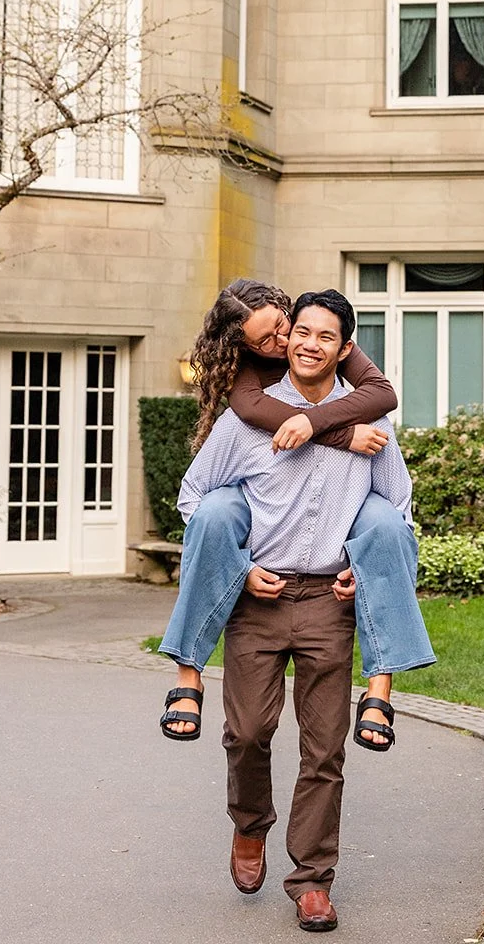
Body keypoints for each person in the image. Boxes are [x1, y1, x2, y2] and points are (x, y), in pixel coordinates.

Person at [176, 289, 413, 932]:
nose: (307, 343)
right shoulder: (247, 419)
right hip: (259, 600)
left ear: (344, 348)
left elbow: (395, 510)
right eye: (299, 331)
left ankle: (311, 878)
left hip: (326, 603)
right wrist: (239, 569)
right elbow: (194, 497)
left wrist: (359, 571)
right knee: (248, 732)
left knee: (324, 750)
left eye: (323, 336)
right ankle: (249, 827)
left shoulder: (375, 429)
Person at [158, 279, 434, 748]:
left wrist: (363, 568)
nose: (287, 342)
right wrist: (239, 569)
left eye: (284, 327)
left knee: (386, 522)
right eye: (267, 340)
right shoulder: (245, 392)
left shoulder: (335, 352)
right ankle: (188, 673)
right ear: (244, 346)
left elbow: (383, 401)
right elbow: (200, 482)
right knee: (214, 511)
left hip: (328, 592)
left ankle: (381, 687)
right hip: (260, 565)